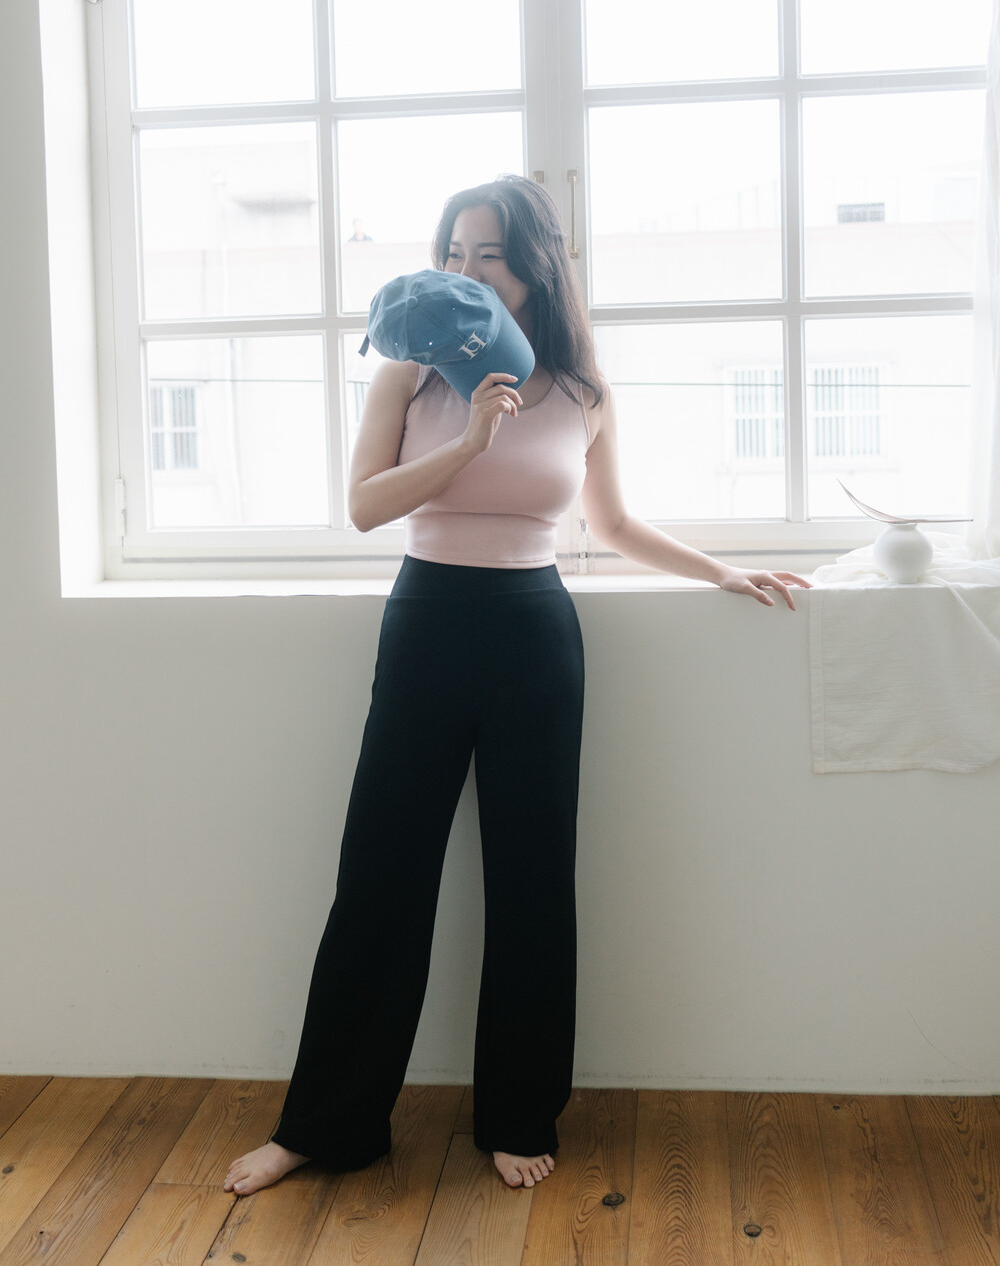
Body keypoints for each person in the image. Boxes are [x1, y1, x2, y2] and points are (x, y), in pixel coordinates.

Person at [223, 175, 812, 1198]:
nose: (466, 271)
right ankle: (324, 1124)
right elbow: (365, 506)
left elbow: (613, 524)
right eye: (453, 252)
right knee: (380, 875)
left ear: (535, 268)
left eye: (488, 254)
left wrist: (720, 570)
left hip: (534, 633)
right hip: (426, 622)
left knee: (533, 878)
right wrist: (468, 440)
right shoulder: (408, 372)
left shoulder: (583, 393)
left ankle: (516, 1111)